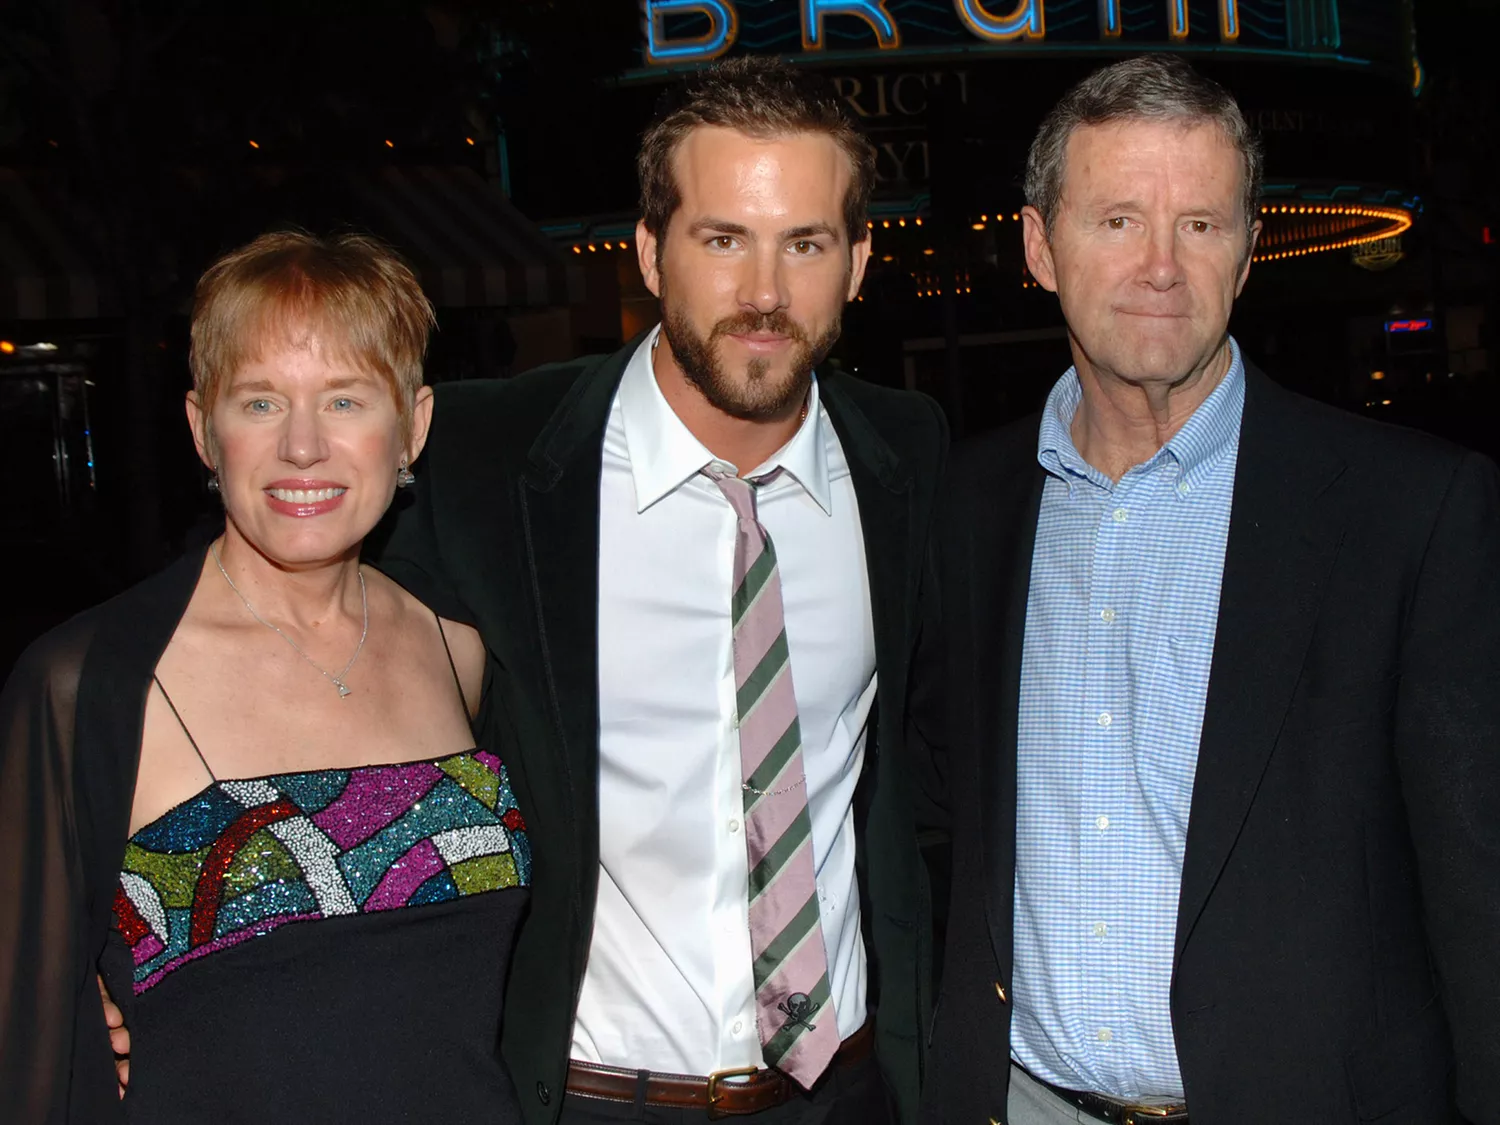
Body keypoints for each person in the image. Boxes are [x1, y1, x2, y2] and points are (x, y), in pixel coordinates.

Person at [916, 55, 1500, 1125]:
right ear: (1041, 247)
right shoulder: (965, 508)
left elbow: (1480, 887)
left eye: (1201, 223)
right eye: (1118, 221)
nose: (1161, 267)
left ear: (1248, 251)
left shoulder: (1409, 512)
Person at [365, 57, 946, 1124]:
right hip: (598, 1098)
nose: (764, 292)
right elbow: (295, 653)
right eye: (723, 239)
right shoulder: (486, 458)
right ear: (649, 253)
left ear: (859, 262)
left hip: (852, 1091)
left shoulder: (906, 460)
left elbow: (940, 759)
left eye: (805, 244)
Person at [0, 231, 531, 1123]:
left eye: (346, 400)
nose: (302, 447)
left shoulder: (463, 644)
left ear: (415, 425)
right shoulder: (91, 684)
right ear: (203, 429)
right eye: (259, 403)